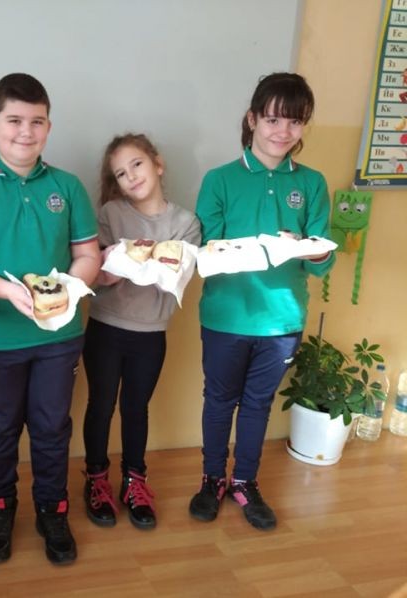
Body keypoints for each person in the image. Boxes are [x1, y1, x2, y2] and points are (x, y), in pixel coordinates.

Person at [0, 73, 100, 565]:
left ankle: (52, 511)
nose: (25, 132)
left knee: (52, 428)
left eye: (37, 122)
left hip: (61, 336)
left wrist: (66, 290)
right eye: (14, 120)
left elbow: (88, 255)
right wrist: (10, 291)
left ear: (49, 127)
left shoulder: (67, 187)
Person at [189, 72, 335, 531]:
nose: (282, 131)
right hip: (226, 315)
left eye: (295, 121)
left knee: (257, 404)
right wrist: (266, 247)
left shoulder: (312, 183)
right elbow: (209, 251)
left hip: (282, 319)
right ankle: (212, 478)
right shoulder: (219, 180)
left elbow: (321, 257)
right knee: (219, 400)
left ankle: (245, 482)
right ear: (252, 119)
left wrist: (307, 248)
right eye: (273, 119)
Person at [82, 133, 200, 530]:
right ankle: (96, 478)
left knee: (136, 407)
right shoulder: (110, 214)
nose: (131, 176)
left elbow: (176, 275)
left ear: (157, 164)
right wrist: (111, 270)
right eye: (120, 173)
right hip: (105, 327)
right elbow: (97, 273)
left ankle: (135, 480)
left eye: (137, 164)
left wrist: (141, 261)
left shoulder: (185, 224)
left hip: (151, 333)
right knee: (101, 405)